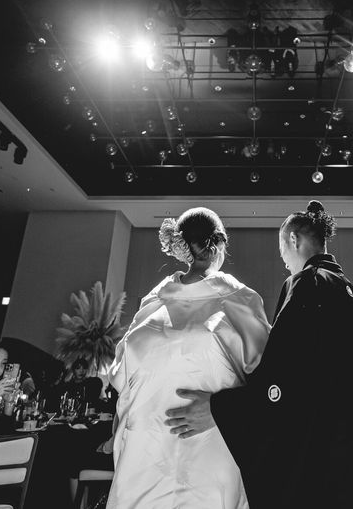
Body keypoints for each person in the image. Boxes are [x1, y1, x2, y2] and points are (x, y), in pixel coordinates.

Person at [165, 200, 353, 508]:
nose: (283, 259)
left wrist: (220, 409)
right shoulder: (345, 286)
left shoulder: (307, 282)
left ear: (293, 240)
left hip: (326, 459)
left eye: (281, 248)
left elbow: (284, 377)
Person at [106, 207, 270, 509]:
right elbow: (271, 382)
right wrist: (223, 409)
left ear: (183, 247)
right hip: (187, 458)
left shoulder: (153, 304)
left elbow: (120, 376)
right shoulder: (239, 300)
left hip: (156, 457)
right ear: (219, 244)